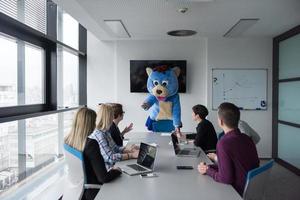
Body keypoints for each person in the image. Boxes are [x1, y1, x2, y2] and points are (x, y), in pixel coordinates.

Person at [198, 102, 259, 196]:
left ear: (221, 121)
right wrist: (209, 167)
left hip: (236, 191)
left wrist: (208, 171)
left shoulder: (224, 143)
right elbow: (233, 166)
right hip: (251, 187)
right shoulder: (247, 138)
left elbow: (226, 178)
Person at [64, 107, 121, 200]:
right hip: (93, 191)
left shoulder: (67, 141)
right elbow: (103, 178)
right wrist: (117, 171)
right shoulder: (91, 144)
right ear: (89, 124)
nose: (95, 125)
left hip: (76, 189)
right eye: (94, 122)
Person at [89, 104, 139, 170]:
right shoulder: (99, 135)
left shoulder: (105, 131)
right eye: (112, 115)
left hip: (114, 165)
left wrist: (130, 150)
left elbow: (116, 148)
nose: (113, 118)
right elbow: (110, 158)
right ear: (108, 117)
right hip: (108, 169)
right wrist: (131, 155)